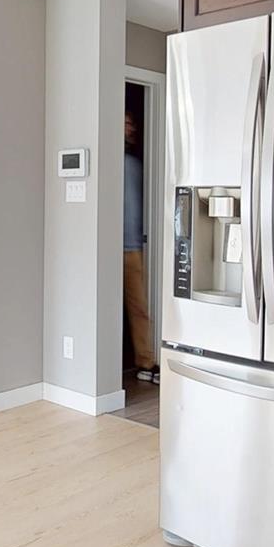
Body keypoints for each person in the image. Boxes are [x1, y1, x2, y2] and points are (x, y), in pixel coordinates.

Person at [124, 111, 157, 383]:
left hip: (135, 247)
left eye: (131, 123)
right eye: (126, 123)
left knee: (140, 308)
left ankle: (147, 361)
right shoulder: (109, 162)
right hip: (109, 248)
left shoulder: (137, 164)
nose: (131, 128)